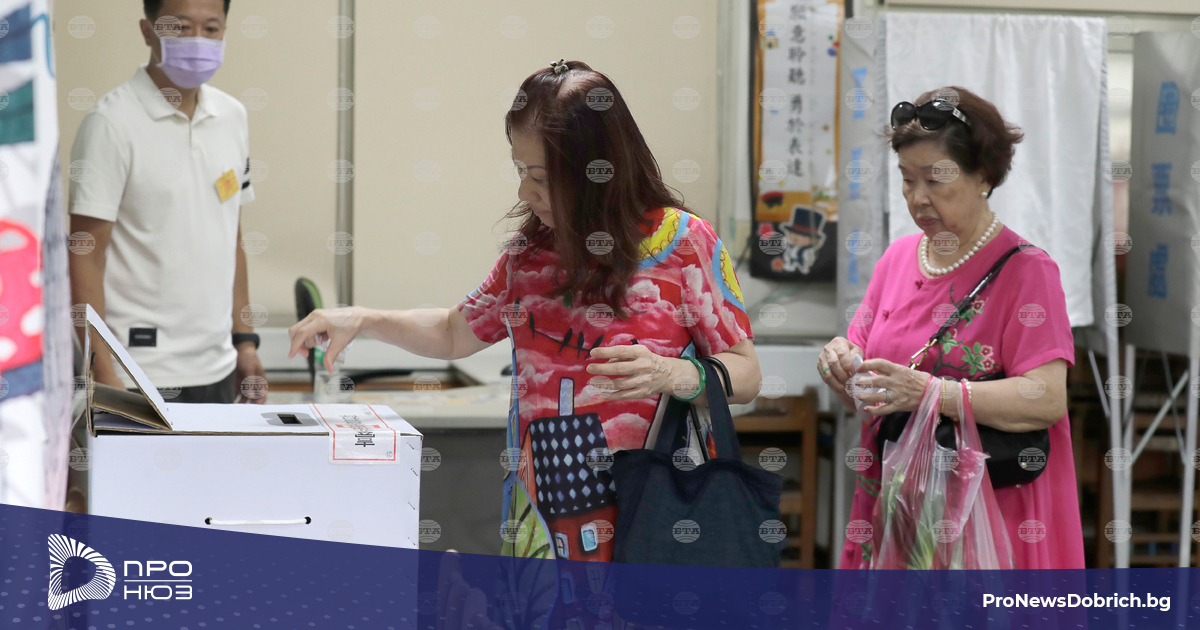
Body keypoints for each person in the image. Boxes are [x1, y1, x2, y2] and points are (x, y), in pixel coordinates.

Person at [289, 59, 759, 558]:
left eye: (542, 176)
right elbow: (453, 331)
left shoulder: (683, 242)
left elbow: (747, 375)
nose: (524, 192)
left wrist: (671, 373)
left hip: (658, 524)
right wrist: (363, 318)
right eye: (520, 171)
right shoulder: (529, 255)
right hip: (540, 529)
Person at [820, 86, 1084, 570]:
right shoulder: (897, 258)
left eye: (935, 179)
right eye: (907, 180)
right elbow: (871, 387)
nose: (918, 198)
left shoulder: (1028, 272)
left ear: (984, 176)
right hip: (898, 507)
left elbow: (1045, 398)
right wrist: (843, 366)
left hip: (987, 519)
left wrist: (931, 393)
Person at [68, 0, 264, 404]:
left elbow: (232, 234)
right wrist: (102, 372)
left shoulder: (232, 116)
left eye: (211, 29)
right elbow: (85, 254)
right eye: (180, 27)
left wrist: (245, 341)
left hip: (218, 366)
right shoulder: (110, 124)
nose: (198, 41)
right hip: (136, 372)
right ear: (148, 31)